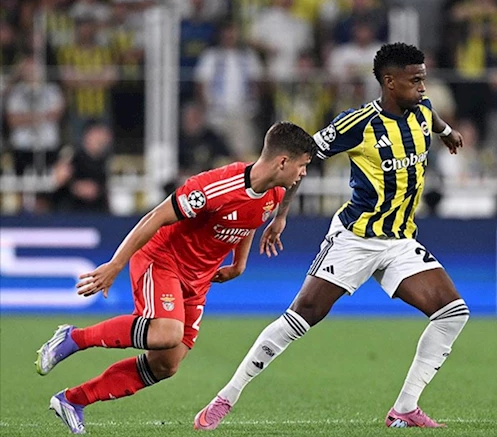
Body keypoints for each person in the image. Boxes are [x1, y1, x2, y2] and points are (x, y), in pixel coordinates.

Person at [194, 42, 467, 430]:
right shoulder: (357, 124)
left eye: (423, 79)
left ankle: (405, 408)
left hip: (400, 240)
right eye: (415, 81)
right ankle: (227, 396)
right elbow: (303, 155)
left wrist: (448, 132)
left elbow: (433, 118)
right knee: (302, 315)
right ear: (390, 82)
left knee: (452, 312)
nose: (423, 88)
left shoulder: (422, 110)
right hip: (355, 239)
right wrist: (281, 214)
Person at [36, 122, 316, 434]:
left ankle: (72, 400)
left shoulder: (274, 191)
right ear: (282, 162)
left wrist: (239, 265)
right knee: (166, 333)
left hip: (199, 278)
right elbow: (155, 217)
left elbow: (252, 219)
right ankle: (74, 338)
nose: (303, 173)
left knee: (166, 364)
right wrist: (116, 265)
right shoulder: (214, 188)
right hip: (162, 260)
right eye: (302, 165)